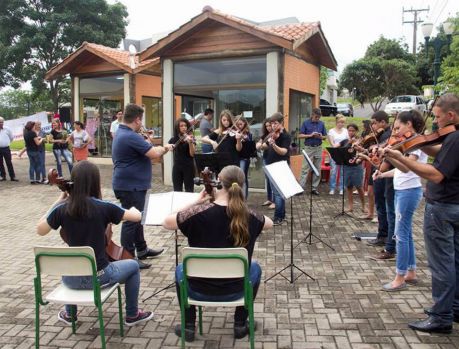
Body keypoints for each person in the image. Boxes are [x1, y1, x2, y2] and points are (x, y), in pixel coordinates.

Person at [36, 161, 154, 327]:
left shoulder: (61, 209)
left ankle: (69, 314)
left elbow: (40, 230)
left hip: (70, 280)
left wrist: (59, 201)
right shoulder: (103, 207)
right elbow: (136, 217)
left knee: (70, 262)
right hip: (99, 277)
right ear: (95, 182)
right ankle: (132, 314)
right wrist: (134, 210)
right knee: (133, 266)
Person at [162, 165, 273, 342]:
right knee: (254, 267)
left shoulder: (197, 213)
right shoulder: (249, 216)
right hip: (236, 290)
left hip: (197, 289)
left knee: (181, 269)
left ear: (218, 183)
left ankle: (188, 326)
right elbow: (269, 223)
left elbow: (167, 222)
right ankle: (239, 324)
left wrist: (196, 202)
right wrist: (242, 208)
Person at [383, 93, 459, 333]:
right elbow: (442, 153)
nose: (435, 122)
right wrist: (422, 142)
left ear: (451, 115)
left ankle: (441, 316)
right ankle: (454, 307)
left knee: (442, 264)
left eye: (437, 117)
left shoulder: (455, 137)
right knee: (455, 260)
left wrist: (398, 156)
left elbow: (436, 174)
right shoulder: (453, 137)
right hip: (453, 206)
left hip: (443, 207)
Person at [112, 104, 174, 269]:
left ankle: (142, 249)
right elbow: (154, 154)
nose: (142, 124)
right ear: (137, 119)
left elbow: (144, 149)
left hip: (130, 184)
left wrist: (148, 141)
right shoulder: (131, 136)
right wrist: (166, 147)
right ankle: (129, 257)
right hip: (130, 186)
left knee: (138, 218)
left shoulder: (123, 132)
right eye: (141, 120)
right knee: (131, 221)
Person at [373, 111, 427, 292]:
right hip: (403, 190)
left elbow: (405, 168)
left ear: (409, 124)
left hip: (409, 192)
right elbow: (399, 172)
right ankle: (411, 272)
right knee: (407, 233)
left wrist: (389, 156)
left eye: (398, 127)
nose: (395, 132)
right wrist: (382, 173)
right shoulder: (406, 143)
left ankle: (399, 277)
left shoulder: (417, 143)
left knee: (401, 235)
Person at [366, 111, 396, 262]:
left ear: (383, 122)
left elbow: (380, 158)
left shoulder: (389, 135)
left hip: (385, 175)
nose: (373, 126)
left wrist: (370, 154)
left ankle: (387, 239)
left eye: (375, 123)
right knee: (381, 206)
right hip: (380, 173)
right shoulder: (382, 136)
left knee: (385, 208)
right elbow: (376, 152)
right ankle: (382, 235)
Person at [259, 112, 291, 225]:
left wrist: (274, 145)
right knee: (277, 192)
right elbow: (264, 146)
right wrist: (261, 145)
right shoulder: (273, 135)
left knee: (278, 193)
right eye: (272, 123)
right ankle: (281, 215)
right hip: (270, 165)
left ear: (281, 123)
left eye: (275, 123)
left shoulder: (285, 136)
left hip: (280, 166)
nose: (273, 126)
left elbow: (283, 152)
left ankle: (278, 217)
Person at [298, 108, 327, 195]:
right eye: (316, 117)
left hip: (318, 148)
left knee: (317, 168)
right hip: (309, 148)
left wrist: (321, 136)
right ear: (312, 115)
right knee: (305, 168)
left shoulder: (322, 124)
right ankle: (301, 188)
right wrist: (310, 135)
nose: (317, 119)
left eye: (319, 117)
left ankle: (314, 188)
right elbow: (299, 135)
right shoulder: (305, 123)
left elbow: (325, 137)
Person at [341, 124, 365, 213]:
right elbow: (341, 150)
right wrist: (349, 142)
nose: (351, 132)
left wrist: (357, 146)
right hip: (347, 166)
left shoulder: (360, 140)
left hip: (356, 166)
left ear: (356, 131)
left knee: (359, 186)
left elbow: (363, 150)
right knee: (349, 186)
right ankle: (350, 206)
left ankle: (363, 205)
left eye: (353, 131)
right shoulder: (345, 141)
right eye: (349, 130)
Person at [168, 117, 195, 192]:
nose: (184, 128)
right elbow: (167, 147)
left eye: (185, 126)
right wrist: (169, 147)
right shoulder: (173, 139)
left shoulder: (191, 138)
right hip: (177, 167)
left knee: (189, 190)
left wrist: (190, 143)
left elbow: (192, 154)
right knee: (177, 190)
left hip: (188, 167)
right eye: (181, 126)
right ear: (177, 128)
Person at [327, 115, 348, 195]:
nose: (342, 124)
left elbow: (347, 142)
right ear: (336, 122)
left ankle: (341, 188)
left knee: (343, 171)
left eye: (343, 122)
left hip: (343, 153)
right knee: (333, 171)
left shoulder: (346, 131)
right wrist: (339, 145)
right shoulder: (331, 131)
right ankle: (332, 188)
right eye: (340, 122)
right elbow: (332, 144)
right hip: (335, 153)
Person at [256, 119, 274, 208]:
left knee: (272, 181)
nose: (268, 128)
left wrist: (262, 145)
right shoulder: (265, 135)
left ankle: (274, 201)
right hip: (266, 158)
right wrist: (258, 144)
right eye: (266, 126)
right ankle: (269, 199)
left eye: (270, 125)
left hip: (273, 159)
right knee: (268, 180)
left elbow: (265, 146)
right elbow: (259, 144)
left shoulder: (275, 135)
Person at [235, 116, 255, 198]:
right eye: (237, 124)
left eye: (241, 124)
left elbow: (251, 148)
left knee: (243, 177)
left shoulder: (248, 134)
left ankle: (244, 197)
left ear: (245, 124)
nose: (239, 126)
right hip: (235, 157)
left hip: (244, 158)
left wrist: (246, 139)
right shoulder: (234, 132)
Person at [0, 116, 18, 182]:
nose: (1, 123)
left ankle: (12, 176)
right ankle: (3, 176)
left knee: (9, 162)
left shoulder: (7, 129)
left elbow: (11, 138)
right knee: (0, 163)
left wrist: (6, 143)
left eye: (2, 122)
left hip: (6, 148)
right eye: (0, 122)